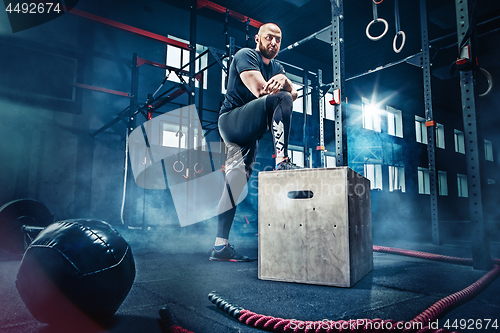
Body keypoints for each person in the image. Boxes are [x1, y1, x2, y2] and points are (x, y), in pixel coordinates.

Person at [209, 23, 302, 262]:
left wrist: (284, 79)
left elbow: (294, 96)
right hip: (232, 122)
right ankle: (282, 161)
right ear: (258, 39)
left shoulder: (278, 67)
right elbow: (263, 92)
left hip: (248, 133)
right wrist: (284, 88)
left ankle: (220, 246)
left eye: (278, 40)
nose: (274, 43)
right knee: (279, 97)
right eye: (269, 38)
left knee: (235, 183)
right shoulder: (246, 55)